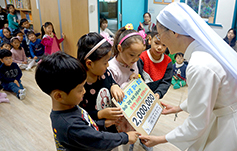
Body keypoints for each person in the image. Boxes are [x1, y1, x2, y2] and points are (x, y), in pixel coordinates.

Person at [139, 2, 237, 151]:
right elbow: (208, 96)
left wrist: (160, 139)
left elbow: (197, 124)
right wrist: (178, 108)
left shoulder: (199, 65)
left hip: (227, 125)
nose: (161, 41)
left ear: (174, 32)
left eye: (160, 34)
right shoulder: (204, 51)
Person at [35, 51, 140, 151]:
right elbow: (98, 140)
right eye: (80, 89)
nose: (84, 91)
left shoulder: (70, 105)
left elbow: (86, 125)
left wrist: (102, 124)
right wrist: (125, 137)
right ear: (58, 96)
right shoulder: (70, 125)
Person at [108, 24, 151, 151]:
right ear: (120, 48)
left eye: (139, 55)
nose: (135, 59)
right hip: (117, 114)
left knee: (129, 139)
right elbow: (112, 92)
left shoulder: (134, 62)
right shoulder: (111, 68)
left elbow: (136, 77)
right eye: (132, 55)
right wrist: (123, 85)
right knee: (115, 139)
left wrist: (136, 78)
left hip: (131, 112)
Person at [77, 33, 125, 148]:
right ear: (89, 63)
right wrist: (99, 114)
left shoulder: (105, 73)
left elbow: (111, 80)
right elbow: (81, 114)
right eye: (105, 62)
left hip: (111, 126)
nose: (108, 65)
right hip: (96, 130)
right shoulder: (79, 88)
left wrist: (114, 85)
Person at [138, 31, 172, 99]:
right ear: (150, 39)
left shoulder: (168, 61)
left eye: (164, 45)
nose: (159, 47)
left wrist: (159, 93)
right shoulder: (141, 57)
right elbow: (138, 77)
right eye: (156, 43)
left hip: (155, 97)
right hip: (140, 95)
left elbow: (166, 81)